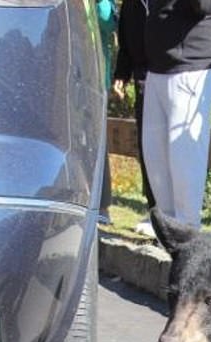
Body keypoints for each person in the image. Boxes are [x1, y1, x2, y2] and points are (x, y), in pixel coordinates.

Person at [141, 0, 211, 229]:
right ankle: (167, 231)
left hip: (192, 67)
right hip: (158, 68)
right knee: (155, 160)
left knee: (185, 162)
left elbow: (207, 6)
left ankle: (187, 232)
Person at [112, 0, 156, 236]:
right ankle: (154, 209)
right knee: (147, 146)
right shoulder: (132, 3)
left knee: (166, 148)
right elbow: (127, 36)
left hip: (168, 71)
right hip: (143, 76)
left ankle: (172, 211)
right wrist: (122, 73)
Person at [96, 0, 118, 226]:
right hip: (63, 72)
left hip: (94, 75)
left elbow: (106, 20)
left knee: (97, 143)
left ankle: (102, 205)